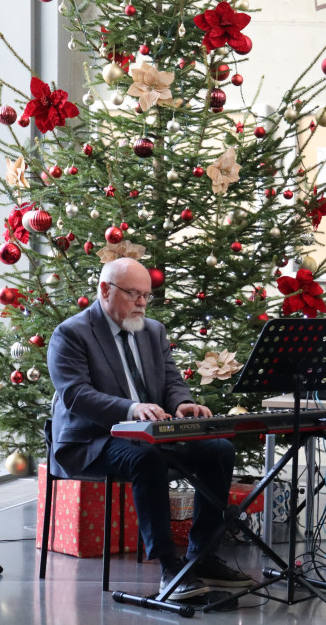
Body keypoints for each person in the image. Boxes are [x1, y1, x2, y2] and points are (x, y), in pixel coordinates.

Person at [47, 257, 252, 600]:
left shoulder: (153, 330)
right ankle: (170, 568)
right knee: (146, 459)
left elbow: (171, 381)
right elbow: (76, 395)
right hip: (94, 440)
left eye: (146, 295)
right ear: (105, 290)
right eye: (133, 294)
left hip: (152, 435)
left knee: (219, 450)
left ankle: (201, 556)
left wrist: (182, 403)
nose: (142, 302)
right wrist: (131, 408)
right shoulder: (71, 333)